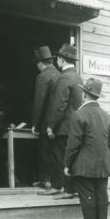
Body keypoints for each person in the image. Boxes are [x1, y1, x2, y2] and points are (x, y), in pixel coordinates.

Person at [64, 78, 110, 219]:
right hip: (103, 165)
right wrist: (104, 161)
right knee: (101, 196)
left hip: (84, 166)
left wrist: (67, 164)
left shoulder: (78, 115)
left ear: (84, 94)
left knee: (87, 197)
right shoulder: (107, 117)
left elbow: (73, 144)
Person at [41, 43, 83, 199]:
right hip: (75, 127)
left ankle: (68, 190)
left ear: (61, 60)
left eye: (57, 58)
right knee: (71, 157)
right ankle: (67, 188)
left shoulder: (64, 78)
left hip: (64, 128)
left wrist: (51, 126)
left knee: (61, 159)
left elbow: (59, 106)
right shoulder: (78, 77)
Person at [31, 46, 60, 190]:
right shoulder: (60, 75)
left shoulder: (42, 76)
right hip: (58, 123)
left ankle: (47, 181)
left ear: (40, 63)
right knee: (55, 153)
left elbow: (39, 102)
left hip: (45, 123)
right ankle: (50, 181)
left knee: (45, 152)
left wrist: (34, 124)